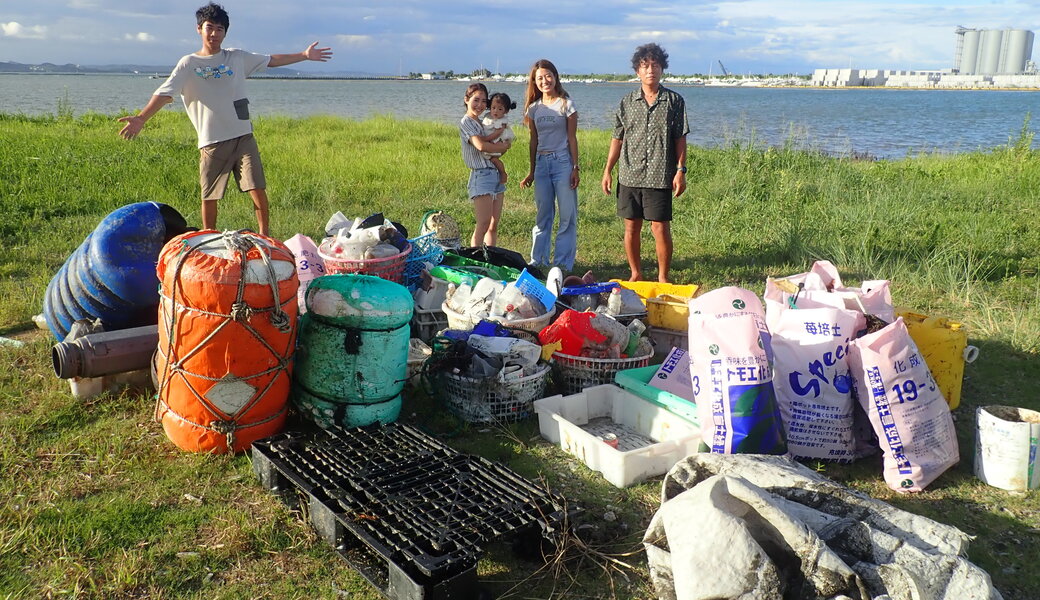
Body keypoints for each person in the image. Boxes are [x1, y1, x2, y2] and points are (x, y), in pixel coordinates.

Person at [117, 2, 332, 236]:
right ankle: (208, 238)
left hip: (243, 136)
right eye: (209, 27)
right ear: (199, 29)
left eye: (220, 29)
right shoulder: (189, 63)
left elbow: (272, 60)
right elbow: (164, 93)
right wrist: (141, 118)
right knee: (210, 195)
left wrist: (303, 55)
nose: (214, 33)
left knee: (257, 188)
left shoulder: (237, 58)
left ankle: (265, 236)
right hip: (211, 141)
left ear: (225, 33)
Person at [601, 43, 689, 282]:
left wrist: (680, 170)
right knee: (631, 227)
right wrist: (608, 170)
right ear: (637, 71)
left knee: (660, 228)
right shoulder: (627, 102)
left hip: (660, 175)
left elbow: (680, 138)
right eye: (645, 66)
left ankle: (663, 276)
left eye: (655, 65)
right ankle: (636, 273)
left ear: (662, 69)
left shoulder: (674, 101)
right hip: (630, 174)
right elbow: (617, 138)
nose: (651, 70)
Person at [519, 59, 579, 272]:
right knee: (543, 214)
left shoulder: (566, 105)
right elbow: (533, 141)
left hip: (563, 162)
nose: (545, 81)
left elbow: (572, 138)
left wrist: (575, 167)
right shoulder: (533, 109)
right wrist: (532, 172)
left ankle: (562, 262)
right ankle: (538, 260)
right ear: (534, 82)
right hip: (542, 165)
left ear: (555, 77)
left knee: (567, 215)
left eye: (548, 76)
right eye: (540, 78)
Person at [459, 83, 513, 247]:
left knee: (493, 225)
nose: (480, 105)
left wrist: (503, 146)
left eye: (484, 101)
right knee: (483, 224)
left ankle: (491, 257)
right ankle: (475, 258)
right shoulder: (466, 122)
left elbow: (498, 147)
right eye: (476, 100)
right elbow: (481, 146)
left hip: (495, 173)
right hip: (481, 175)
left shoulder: (485, 123)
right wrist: (501, 147)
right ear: (466, 100)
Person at [481, 92, 517, 185]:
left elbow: (497, 134)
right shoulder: (488, 116)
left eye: (500, 109)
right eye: (493, 108)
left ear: (506, 111)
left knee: (494, 159)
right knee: (489, 159)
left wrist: (484, 139)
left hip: (498, 141)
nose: (496, 111)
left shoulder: (502, 122)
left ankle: (503, 173)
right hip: (491, 141)